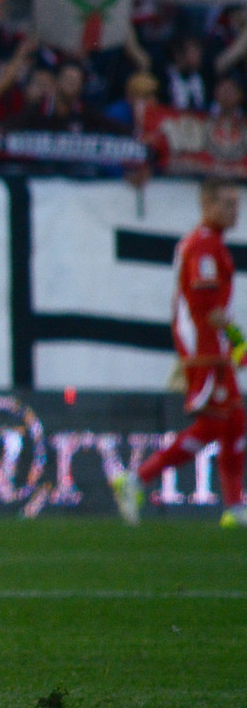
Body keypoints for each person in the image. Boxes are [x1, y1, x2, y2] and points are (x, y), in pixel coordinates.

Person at [117, 177, 247, 527]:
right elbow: (207, 308)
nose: (234, 211)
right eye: (226, 204)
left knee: (235, 422)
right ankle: (136, 478)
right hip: (204, 350)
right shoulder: (203, 246)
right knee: (212, 425)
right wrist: (239, 343)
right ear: (206, 205)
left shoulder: (212, 244)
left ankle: (235, 507)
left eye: (236, 204)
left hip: (212, 348)